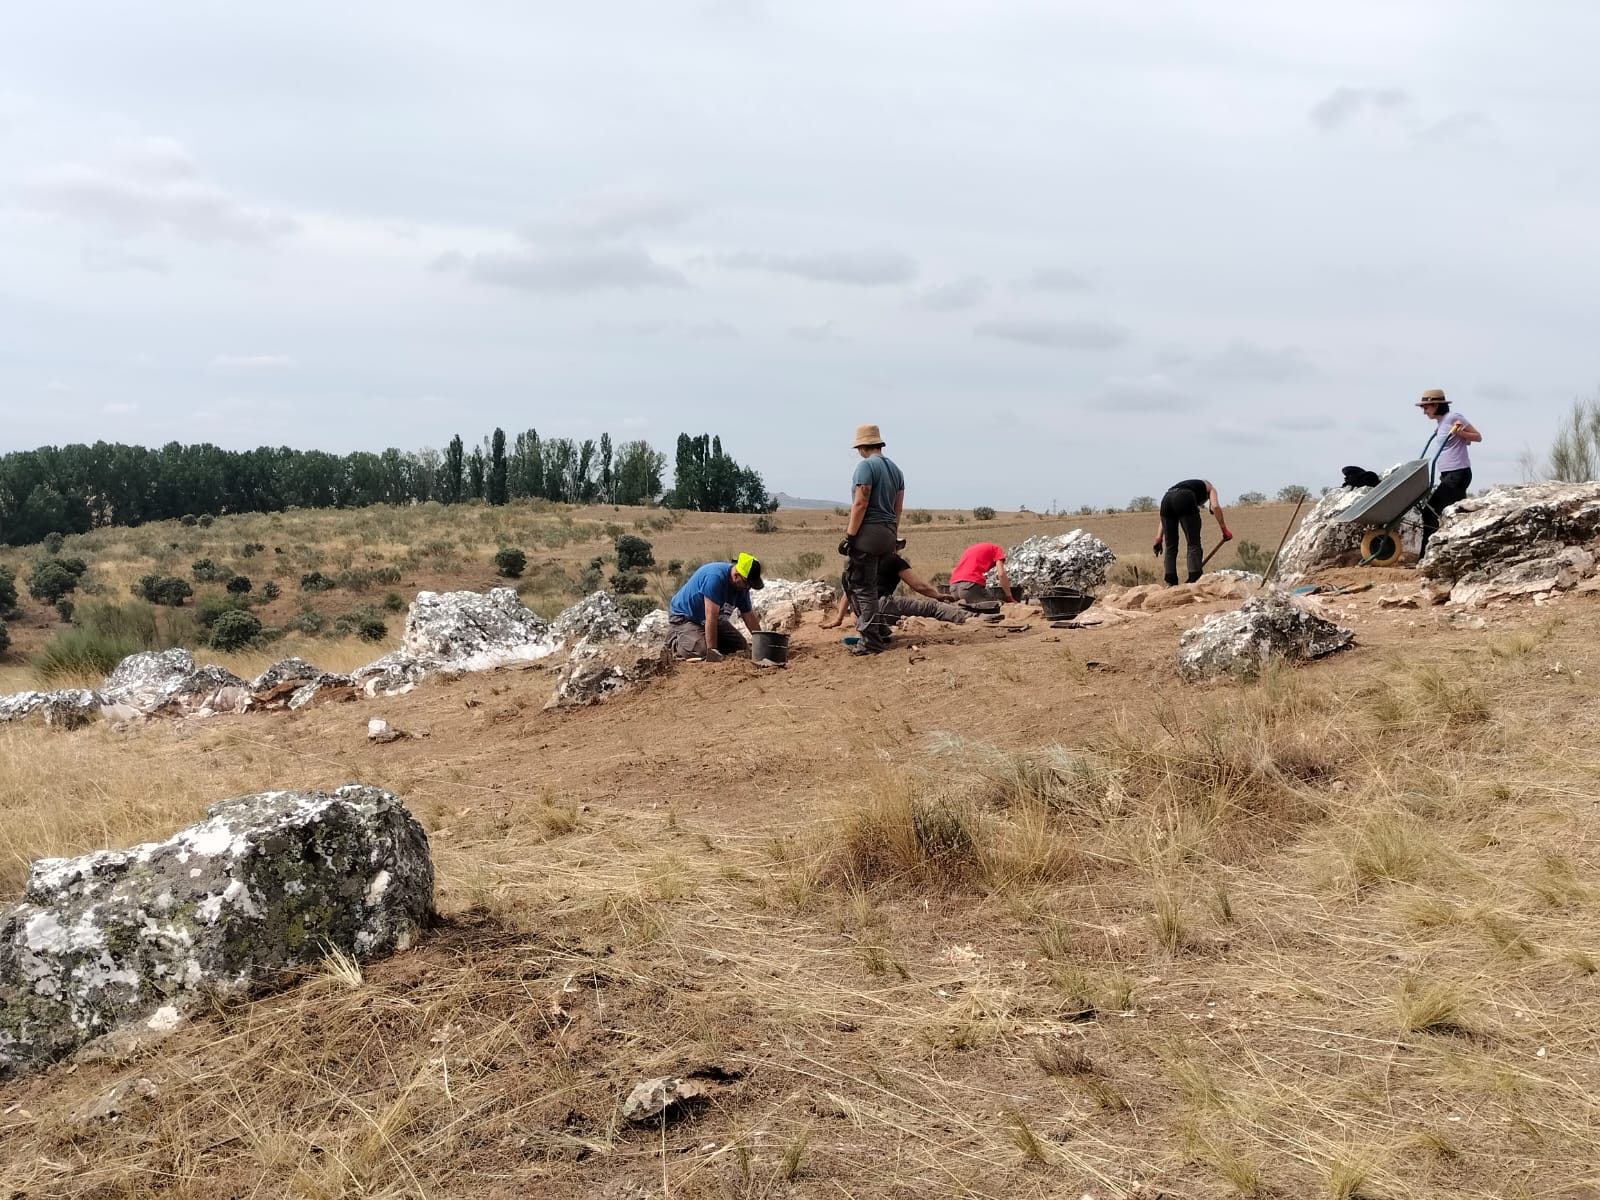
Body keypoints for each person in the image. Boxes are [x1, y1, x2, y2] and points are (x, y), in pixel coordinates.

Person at [840, 424, 905, 656]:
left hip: (868, 533)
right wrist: (893, 535)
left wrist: (849, 536)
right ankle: (879, 629)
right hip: (888, 533)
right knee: (854, 581)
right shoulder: (896, 471)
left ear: (862, 447)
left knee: (861, 587)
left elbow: (861, 502)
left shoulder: (865, 467)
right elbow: (898, 508)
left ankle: (870, 640)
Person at [821, 543, 983, 629]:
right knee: (933, 608)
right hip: (882, 605)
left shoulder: (859, 563)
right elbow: (919, 586)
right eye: (897, 546)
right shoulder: (893, 560)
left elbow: (847, 594)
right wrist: (939, 595)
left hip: (863, 615)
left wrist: (840, 618)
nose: (897, 549)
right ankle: (971, 618)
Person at [665, 552, 763, 661]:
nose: (748, 588)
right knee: (702, 651)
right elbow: (710, 618)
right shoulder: (715, 579)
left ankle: (699, 638)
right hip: (685, 617)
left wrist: (763, 643)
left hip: (712, 619)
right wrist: (712, 652)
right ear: (736, 575)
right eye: (747, 583)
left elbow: (748, 615)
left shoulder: (741, 586)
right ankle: (675, 641)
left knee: (739, 646)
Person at [1417, 388, 1481, 555]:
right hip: (1448, 475)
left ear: (1436, 405)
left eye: (1426, 407)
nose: (1424, 412)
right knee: (1457, 514)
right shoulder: (1441, 423)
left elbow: (1477, 436)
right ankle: (1455, 550)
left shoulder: (1453, 417)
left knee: (1429, 510)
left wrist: (1461, 432)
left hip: (1458, 473)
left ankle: (1425, 555)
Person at [1153, 479, 1231, 586]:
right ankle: (1194, 579)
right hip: (1185, 498)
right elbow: (1216, 506)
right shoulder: (1210, 488)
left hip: (1166, 499)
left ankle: (1170, 581)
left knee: (1170, 545)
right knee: (1193, 543)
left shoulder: (1186, 486)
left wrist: (1158, 539)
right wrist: (1224, 530)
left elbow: (1164, 519)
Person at [946, 541, 1016, 607]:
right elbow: (1001, 574)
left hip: (953, 588)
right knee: (995, 605)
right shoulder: (997, 550)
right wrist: (1009, 596)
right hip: (970, 587)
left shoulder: (970, 550)